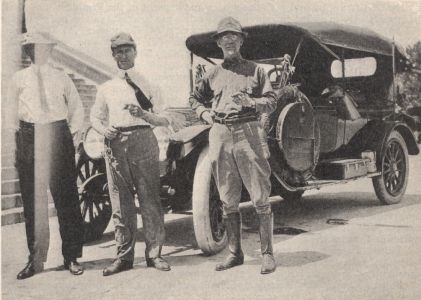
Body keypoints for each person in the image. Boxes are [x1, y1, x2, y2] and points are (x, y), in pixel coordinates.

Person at [189, 17, 278, 274]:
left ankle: (268, 254)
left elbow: (271, 100)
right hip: (219, 133)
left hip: (248, 131)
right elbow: (195, 99)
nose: (229, 40)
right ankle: (234, 253)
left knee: (261, 196)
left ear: (241, 41)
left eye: (234, 36)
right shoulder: (211, 74)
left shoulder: (256, 70)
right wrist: (205, 115)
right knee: (228, 198)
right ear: (218, 43)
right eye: (224, 37)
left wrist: (252, 102)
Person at [90, 32, 171, 276]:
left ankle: (154, 254)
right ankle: (123, 257)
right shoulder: (106, 87)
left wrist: (143, 114)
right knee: (120, 202)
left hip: (144, 140)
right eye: (118, 51)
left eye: (127, 50)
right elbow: (95, 116)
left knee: (150, 200)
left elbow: (164, 118)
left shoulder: (149, 83)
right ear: (113, 55)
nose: (122, 55)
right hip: (115, 143)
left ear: (135, 52)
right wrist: (106, 130)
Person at [5, 32, 85, 279]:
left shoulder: (62, 78)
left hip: (57, 135)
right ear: (27, 52)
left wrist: (66, 137)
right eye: (30, 49)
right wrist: (17, 140)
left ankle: (71, 257)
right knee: (33, 203)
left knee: (67, 199)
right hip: (29, 137)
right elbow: (9, 113)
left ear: (49, 51)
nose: (35, 52)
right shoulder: (18, 79)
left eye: (40, 48)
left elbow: (77, 110)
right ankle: (36, 259)